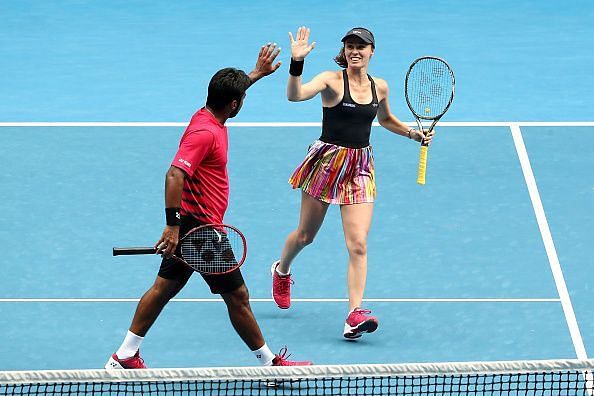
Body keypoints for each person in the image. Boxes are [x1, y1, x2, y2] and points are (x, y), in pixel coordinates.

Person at [106, 43, 311, 369]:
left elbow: (229, 97)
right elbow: (174, 174)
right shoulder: (205, 133)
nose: (242, 101)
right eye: (241, 98)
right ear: (233, 104)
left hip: (191, 224)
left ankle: (125, 355)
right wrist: (173, 227)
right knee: (238, 298)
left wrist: (256, 74)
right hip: (201, 231)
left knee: (162, 289)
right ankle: (270, 364)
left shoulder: (206, 114)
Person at [271, 27, 434, 339]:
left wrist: (413, 134)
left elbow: (385, 120)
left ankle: (353, 315)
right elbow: (294, 95)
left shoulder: (380, 87)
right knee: (305, 236)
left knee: (358, 243)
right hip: (326, 163)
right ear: (344, 51)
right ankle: (281, 271)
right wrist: (296, 62)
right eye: (350, 46)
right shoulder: (331, 81)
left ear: (372, 51)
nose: (355, 51)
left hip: (359, 166)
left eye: (361, 46)